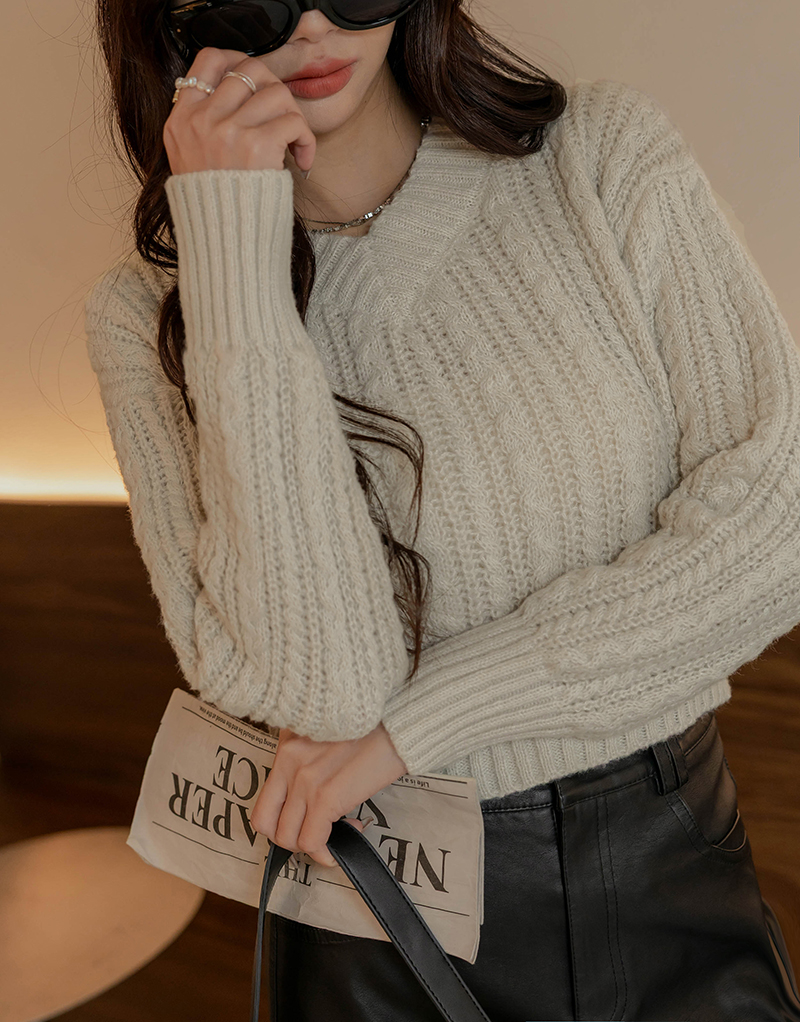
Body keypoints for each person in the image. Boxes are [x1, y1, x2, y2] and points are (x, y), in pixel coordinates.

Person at [83, 0, 800, 1019]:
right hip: (382, 920)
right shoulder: (146, 313)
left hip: (662, 865)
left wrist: (422, 723)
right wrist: (233, 250)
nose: (314, 24)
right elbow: (327, 690)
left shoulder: (596, 157)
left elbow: (778, 524)